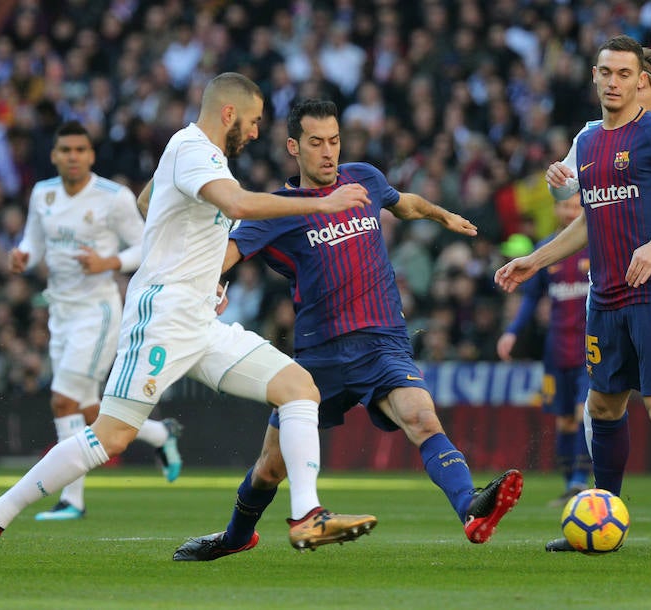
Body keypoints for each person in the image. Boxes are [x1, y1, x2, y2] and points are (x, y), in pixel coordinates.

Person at [0, 73, 376, 574]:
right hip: (161, 319)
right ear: (229, 114)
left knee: (299, 388)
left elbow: (145, 203)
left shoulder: (192, 153)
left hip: (198, 316)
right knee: (109, 438)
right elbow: (239, 204)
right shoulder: (193, 148)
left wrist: (201, 274)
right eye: (253, 121)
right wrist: (322, 202)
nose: (255, 130)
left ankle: (307, 515)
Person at [172, 99, 523, 562]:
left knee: (421, 417)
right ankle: (237, 535)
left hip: (384, 341)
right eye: (316, 143)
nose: (328, 152)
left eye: (334, 141)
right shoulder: (280, 208)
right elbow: (230, 253)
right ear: (294, 147)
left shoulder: (365, 178)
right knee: (271, 468)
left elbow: (403, 203)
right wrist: (211, 283)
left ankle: (471, 510)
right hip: (321, 357)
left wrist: (441, 216)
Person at [495, 35, 651, 556]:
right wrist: (536, 259)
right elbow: (588, 220)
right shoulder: (589, 141)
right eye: (605, 72)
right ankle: (605, 519)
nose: (614, 82)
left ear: (641, 81)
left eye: (624, 74)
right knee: (602, 405)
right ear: (594, 76)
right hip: (605, 299)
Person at [8, 120, 184, 521]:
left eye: (80, 150)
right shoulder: (43, 194)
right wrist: (23, 256)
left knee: (63, 398)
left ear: (91, 155)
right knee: (89, 409)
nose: (73, 156)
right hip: (61, 311)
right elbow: (34, 242)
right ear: (54, 155)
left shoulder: (113, 197)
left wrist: (110, 262)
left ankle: (73, 499)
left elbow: (145, 246)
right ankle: (160, 434)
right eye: (65, 150)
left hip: (99, 310)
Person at [496, 193, 591, 508]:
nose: (568, 211)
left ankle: (581, 482)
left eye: (575, 206)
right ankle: (569, 484)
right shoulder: (547, 250)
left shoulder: (595, 244)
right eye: (564, 206)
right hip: (557, 349)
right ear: (556, 209)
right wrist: (511, 332)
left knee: (582, 415)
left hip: (591, 348)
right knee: (564, 420)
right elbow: (530, 299)